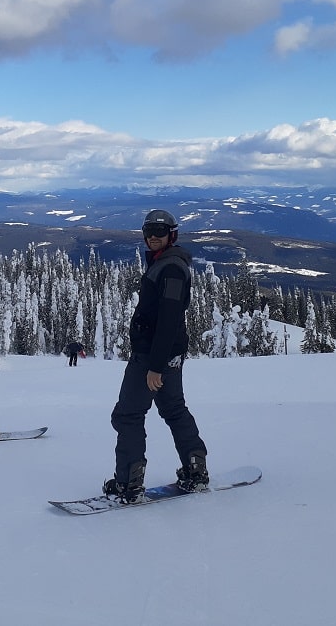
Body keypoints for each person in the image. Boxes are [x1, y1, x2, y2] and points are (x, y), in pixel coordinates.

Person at [103, 209, 209, 503]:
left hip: (153, 357)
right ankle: (195, 469)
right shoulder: (163, 264)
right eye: (148, 231)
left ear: (171, 234)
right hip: (165, 355)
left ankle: (129, 482)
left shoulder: (171, 269)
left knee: (128, 415)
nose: (153, 237)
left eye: (160, 232)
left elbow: (169, 320)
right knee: (174, 410)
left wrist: (155, 366)